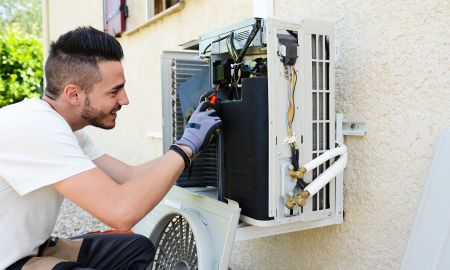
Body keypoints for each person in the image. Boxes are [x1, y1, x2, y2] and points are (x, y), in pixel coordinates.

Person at [0, 26, 221, 270]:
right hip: (9, 261)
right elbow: (121, 212)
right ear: (74, 94)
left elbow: (129, 177)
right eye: (114, 91)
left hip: (27, 248)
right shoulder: (37, 128)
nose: (124, 99)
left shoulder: (63, 127)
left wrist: (194, 142)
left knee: (135, 249)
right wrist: (185, 148)